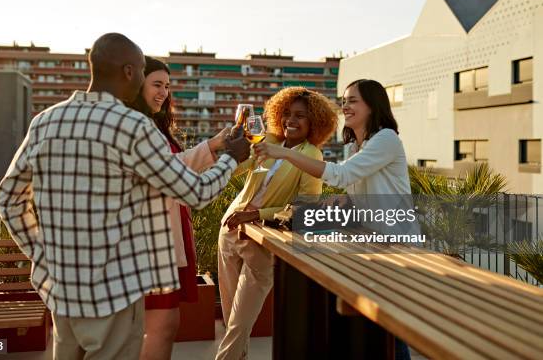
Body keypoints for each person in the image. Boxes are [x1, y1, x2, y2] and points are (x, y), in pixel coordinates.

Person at [0, 33, 251, 360]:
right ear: (129, 71)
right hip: (113, 290)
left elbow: (8, 199)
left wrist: (42, 254)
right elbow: (196, 192)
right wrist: (232, 157)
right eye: (144, 71)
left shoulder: (45, 121)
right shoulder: (132, 126)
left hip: (60, 286)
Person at [254, 79, 413, 360]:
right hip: (369, 241)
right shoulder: (356, 148)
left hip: (395, 242)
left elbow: (340, 176)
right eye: (344, 100)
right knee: (371, 318)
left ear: (373, 106)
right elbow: (356, 192)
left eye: (353, 100)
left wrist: (284, 153)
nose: (345, 106)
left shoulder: (386, 139)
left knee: (388, 321)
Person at [216, 87, 339, 360]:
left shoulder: (312, 156)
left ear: (314, 122)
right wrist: (234, 148)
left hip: (261, 241)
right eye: (286, 113)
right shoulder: (269, 139)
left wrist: (257, 214)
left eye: (300, 116)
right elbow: (237, 168)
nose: (290, 120)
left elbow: (305, 208)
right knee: (231, 322)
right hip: (229, 230)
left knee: (238, 324)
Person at [127, 56, 230, 360]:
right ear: (136, 85)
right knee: (162, 324)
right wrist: (216, 149)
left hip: (163, 232)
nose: (163, 92)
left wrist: (213, 146)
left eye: (167, 86)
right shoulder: (137, 127)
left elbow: (173, 169)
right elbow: (171, 172)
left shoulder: (151, 125)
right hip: (150, 239)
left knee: (162, 325)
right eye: (157, 84)